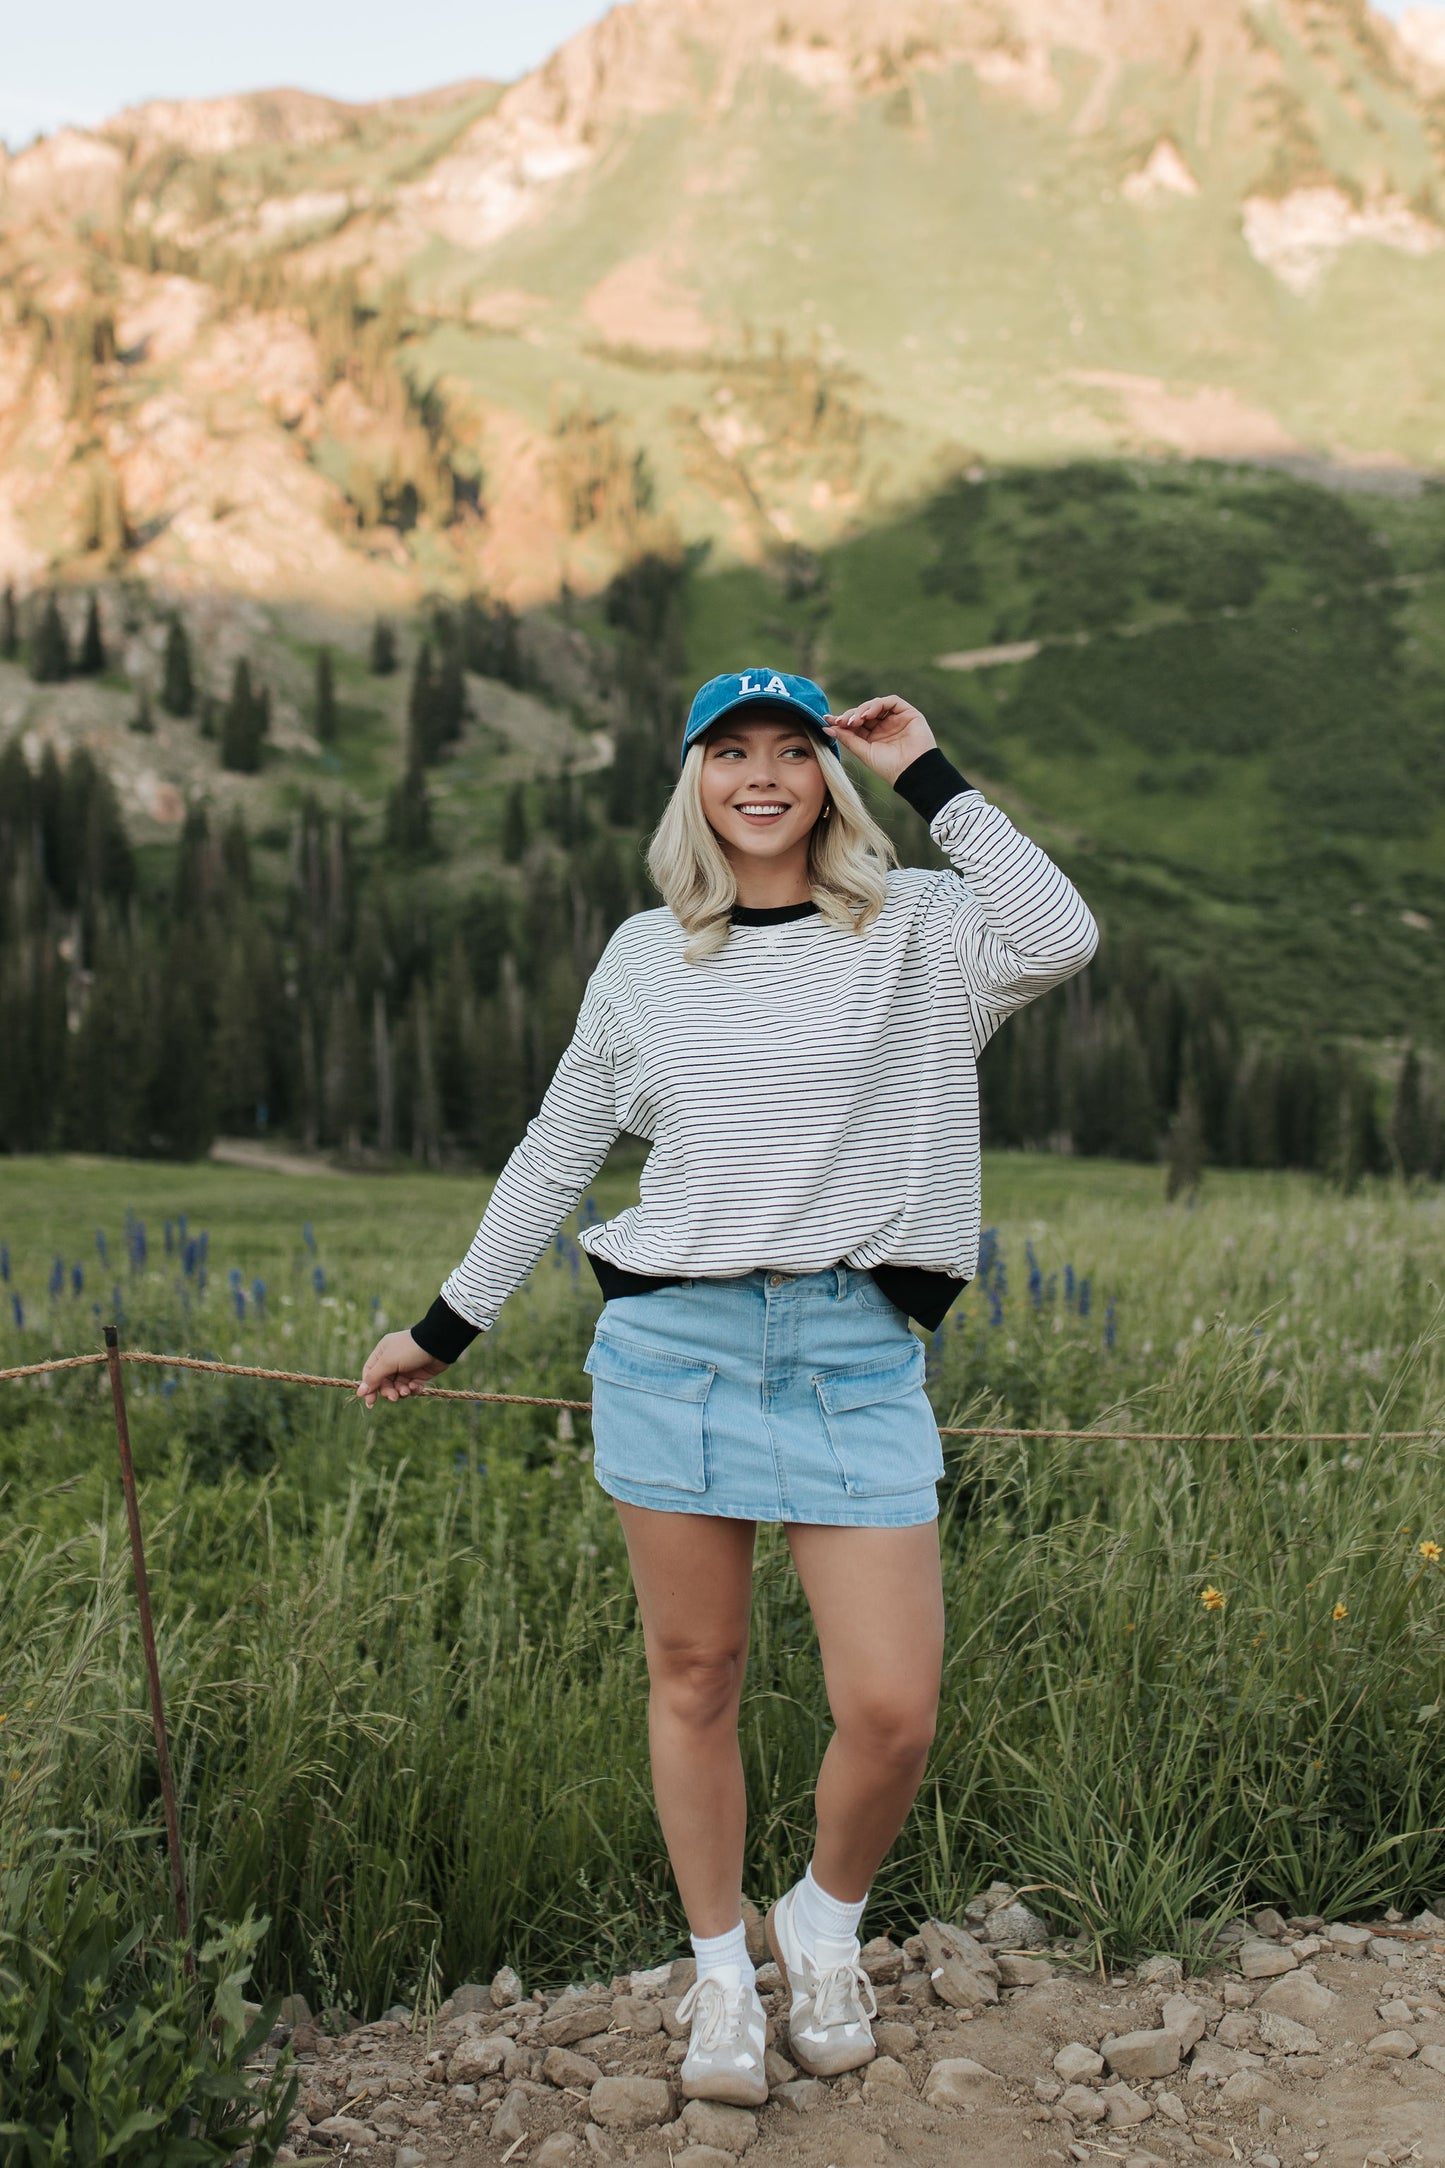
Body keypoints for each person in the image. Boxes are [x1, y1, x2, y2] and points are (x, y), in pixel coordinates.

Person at [357, 669, 1097, 2106]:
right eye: (730, 754)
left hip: (852, 1356)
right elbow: (557, 1147)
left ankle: (822, 1925)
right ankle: (715, 1973)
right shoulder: (645, 955)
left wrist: (925, 771)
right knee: (694, 1678)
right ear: (693, 782)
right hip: (672, 1352)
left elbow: (1061, 933)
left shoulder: (923, 929)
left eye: (791, 752)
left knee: (890, 1708)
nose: (760, 777)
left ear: (826, 775)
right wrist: (446, 1325)